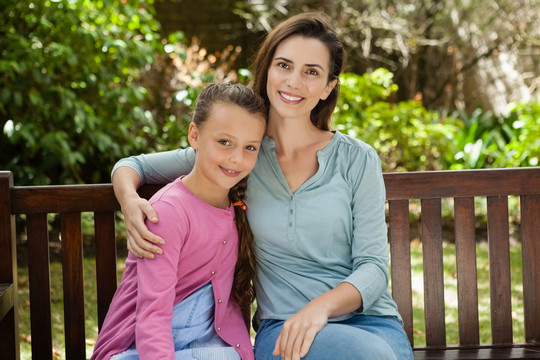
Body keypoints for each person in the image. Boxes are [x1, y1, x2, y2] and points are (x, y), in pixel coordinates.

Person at [111, 12, 414, 360]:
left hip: (370, 323)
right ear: (268, 70)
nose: (293, 82)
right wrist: (130, 202)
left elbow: (373, 267)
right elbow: (133, 166)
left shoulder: (357, 159)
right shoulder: (241, 153)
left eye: (311, 72)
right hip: (283, 327)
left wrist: (319, 310)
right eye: (284, 65)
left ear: (328, 86)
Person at [91, 83, 267, 360]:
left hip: (201, 345)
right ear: (194, 136)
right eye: (224, 142)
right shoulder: (169, 212)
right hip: (138, 349)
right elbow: (153, 315)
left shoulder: (235, 206)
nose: (237, 158)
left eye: (250, 147)